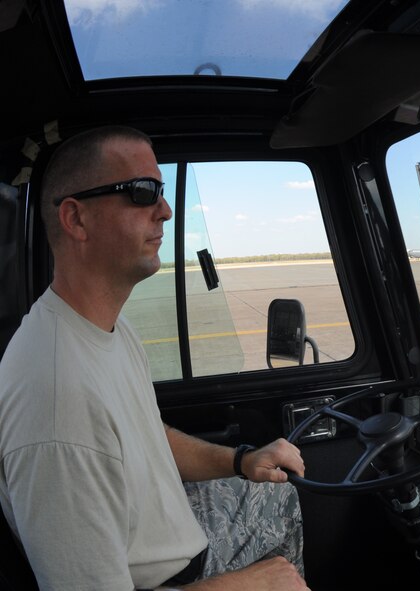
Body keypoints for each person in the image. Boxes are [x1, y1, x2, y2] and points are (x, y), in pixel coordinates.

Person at [0, 126, 309, 591]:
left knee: (275, 493)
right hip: (168, 576)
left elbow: (149, 434)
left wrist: (242, 459)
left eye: (161, 192)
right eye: (143, 192)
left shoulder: (107, 327)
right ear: (76, 220)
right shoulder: (56, 401)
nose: (164, 210)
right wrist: (254, 584)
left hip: (174, 527)